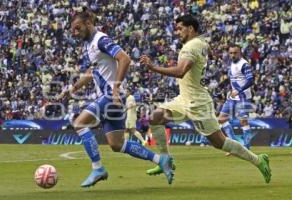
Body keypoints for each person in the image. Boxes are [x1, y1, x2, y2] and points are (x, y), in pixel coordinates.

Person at [139, 15, 271, 183]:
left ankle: (258, 160)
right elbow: (204, 54)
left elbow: (180, 71)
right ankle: (166, 159)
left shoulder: (192, 46)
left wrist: (153, 67)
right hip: (184, 98)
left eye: (180, 28)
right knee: (155, 117)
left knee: (219, 142)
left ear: (191, 28)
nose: (177, 31)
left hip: (198, 103)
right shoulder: (200, 43)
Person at [58, 9, 174, 187]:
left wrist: (115, 88)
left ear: (88, 23)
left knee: (79, 123)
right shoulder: (90, 45)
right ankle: (161, 160)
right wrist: (73, 88)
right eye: (72, 29)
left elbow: (125, 59)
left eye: (77, 28)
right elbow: (92, 72)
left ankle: (97, 168)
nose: (74, 32)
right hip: (111, 97)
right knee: (117, 144)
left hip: (111, 96)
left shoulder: (101, 40)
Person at [218, 44, 254, 154]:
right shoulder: (231, 64)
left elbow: (250, 80)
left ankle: (246, 148)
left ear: (240, 52)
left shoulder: (244, 64)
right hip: (233, 97)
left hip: (243, 97)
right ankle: (234, 146)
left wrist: (239, 90)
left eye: (235, 52)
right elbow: (233, 80)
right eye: (231, 53)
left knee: (243, 122)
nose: (233, 55)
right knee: (221, 119)